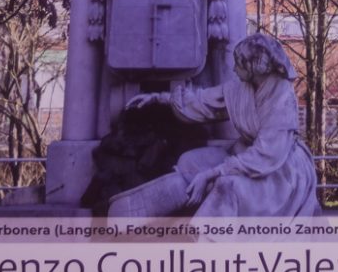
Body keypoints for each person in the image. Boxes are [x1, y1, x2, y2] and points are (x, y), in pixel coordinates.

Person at [123, 33, 320, 218]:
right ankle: (179, 209)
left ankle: (206, 236)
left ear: (252, 67)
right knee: (189, 161)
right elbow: (203, 101)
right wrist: (159, 98)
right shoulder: (241, 88)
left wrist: (213, 173)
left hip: (278, 168)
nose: (234, 69)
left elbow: (267, 154)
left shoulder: (282, 96)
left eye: (239, 64)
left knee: (227, 185)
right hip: (245, 154)